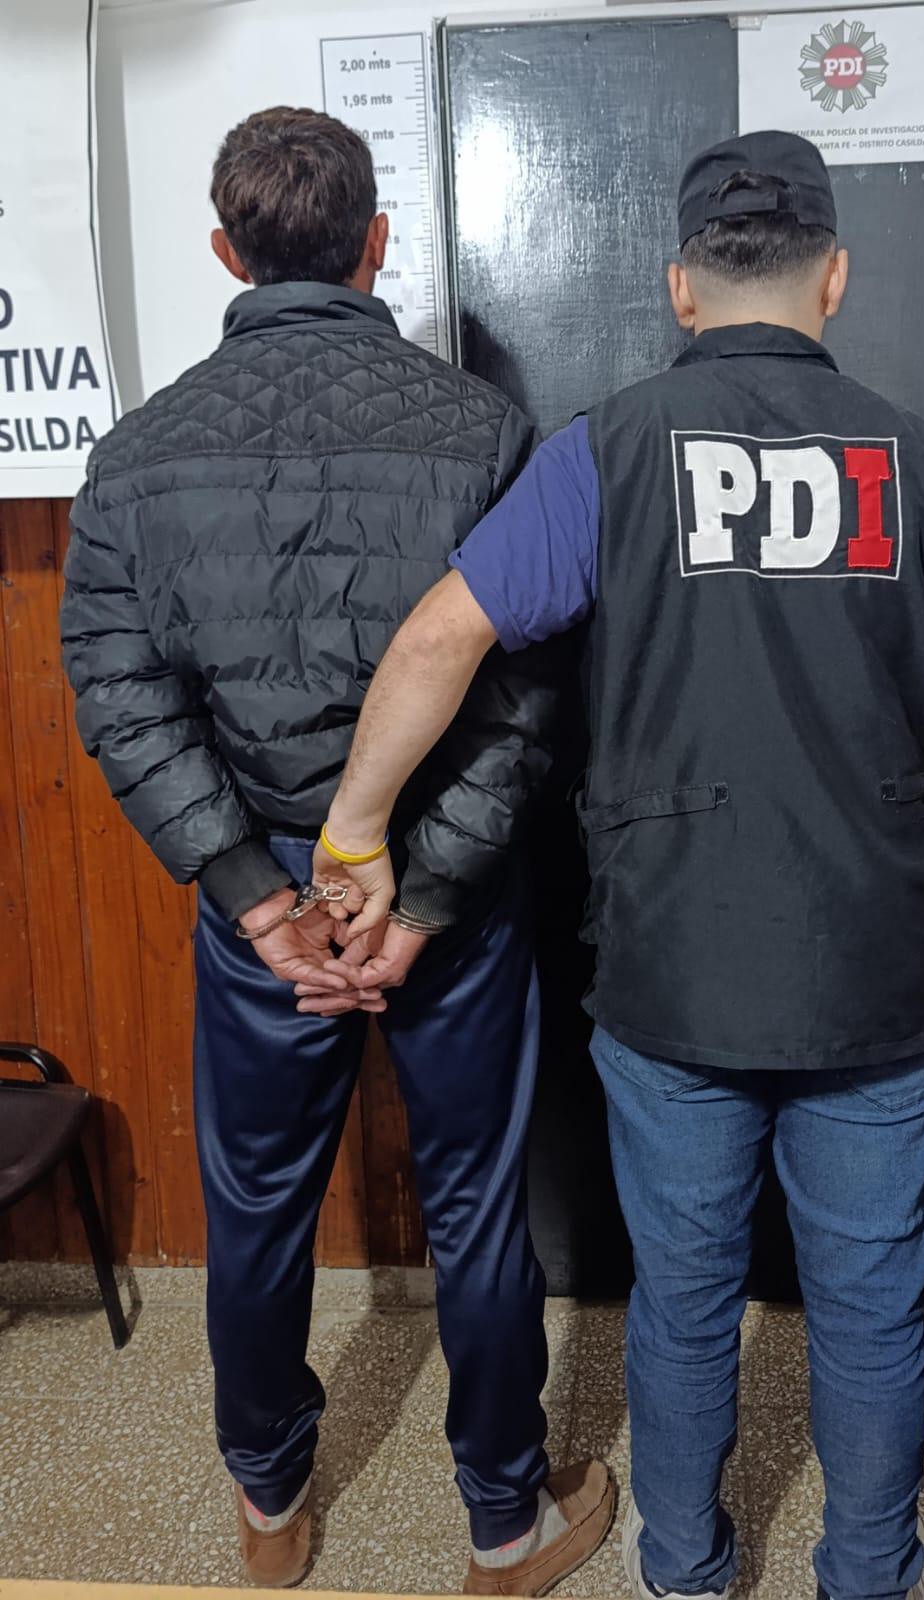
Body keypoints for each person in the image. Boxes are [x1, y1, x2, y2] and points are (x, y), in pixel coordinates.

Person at [312, 131, 924, 1600]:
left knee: (686, 1302)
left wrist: (355, 832)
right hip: (872, 972)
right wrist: (843, 754)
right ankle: (870, 1573)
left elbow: (443, 636)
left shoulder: (611, 450)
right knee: (872, 1311)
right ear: (835, 276)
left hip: (674, 968)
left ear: (681, 290)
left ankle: (687, 1570)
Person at [60, 106, 614, 1594]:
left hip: (269, 906)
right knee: (477, 1204)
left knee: (256, 1212)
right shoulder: (479, 430)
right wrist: (421, 896)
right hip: (446, 895)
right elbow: (528, 693)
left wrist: (260, 902)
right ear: (376, 242)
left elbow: (119, 691)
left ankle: (268, 1512)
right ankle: (504, 1525)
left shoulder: (137, 452)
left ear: (225, 251)